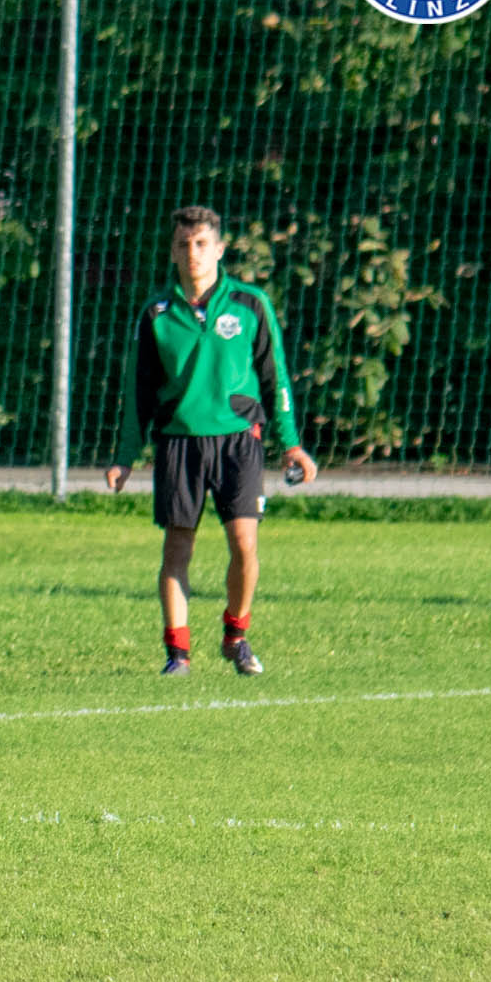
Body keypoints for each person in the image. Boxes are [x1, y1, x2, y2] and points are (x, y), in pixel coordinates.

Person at [105, 206, 317, 676]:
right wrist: (124, 457)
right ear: (172, 252)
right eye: (184, 245)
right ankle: (177, 656)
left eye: (202, 244)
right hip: (179, 443)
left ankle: (235, 636)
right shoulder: (156, 314)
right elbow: (137, 392)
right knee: (177, 549)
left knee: (244, 543)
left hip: (239, 440)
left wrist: (292, 444)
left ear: (220, 249)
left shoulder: (250, 304)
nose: (193, 253)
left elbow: (275, 377)